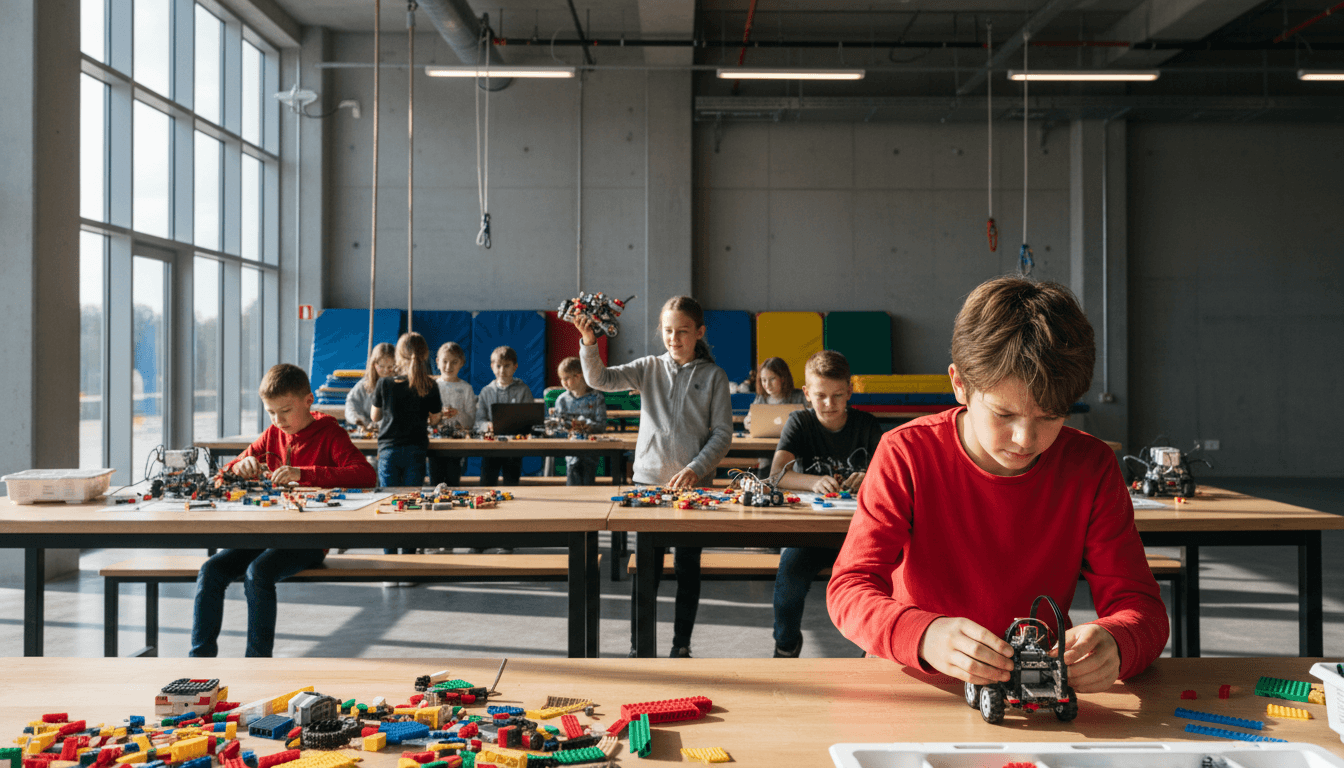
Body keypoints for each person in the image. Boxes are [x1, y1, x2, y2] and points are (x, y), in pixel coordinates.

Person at [827, 276, 1168, 694]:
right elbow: (849, 588)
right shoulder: (906, 454)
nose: (1026, 439)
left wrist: (1119, 641)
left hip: (1032, 692)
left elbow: (1142, 608)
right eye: (1004, 414)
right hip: (916, 687)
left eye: (1050, 416)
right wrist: (922, 634)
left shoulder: (1090, 466)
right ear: (960, 384)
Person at [573, 295, 733, 658]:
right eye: (667, 331)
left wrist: (695, 469)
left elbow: (723, 434)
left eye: (683, 332)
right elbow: (600, 379)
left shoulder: (713, 376)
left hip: (694, 493)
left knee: (688, 570)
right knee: (646, 571)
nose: (674, 339)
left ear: (700, 332)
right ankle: (638, 648)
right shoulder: (648, 367)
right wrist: (589, 342)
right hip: (648, 488)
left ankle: (682, 646)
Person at [190, 363, 377, 657]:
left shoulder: (331, 433)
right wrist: (237, 468)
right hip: (268, 534)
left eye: (286, 410)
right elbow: (220, 475)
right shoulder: (271, 435)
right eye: (271, 412)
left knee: (258, 572)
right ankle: (199, 662)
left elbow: (366, 475)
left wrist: (303, 474)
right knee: (210, 569)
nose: (278, 420)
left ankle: (258, 661)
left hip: (310, 539)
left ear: (308, 400)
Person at [768, 350, 883, 658]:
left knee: (885, 585)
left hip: (860, 533)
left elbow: (890, 476)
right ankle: (786, 644)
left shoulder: (868, 425)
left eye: (837, 396)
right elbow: (777, 474)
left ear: (850, 392)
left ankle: (873, 652)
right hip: (812, 531)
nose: (829, 405)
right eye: (820, 396)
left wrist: (869, 477)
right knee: (789, 579)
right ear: (806, 393)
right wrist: (812, 482)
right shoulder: (799, 422)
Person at [372, 332, 442, 559]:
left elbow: (375, 417)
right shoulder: (429, 385)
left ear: (398, 356)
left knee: (389, 505)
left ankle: (390, 562)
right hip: (416, 450)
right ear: (425, 355)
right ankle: (409, 561)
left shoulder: (384, 383)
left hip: (389, 450)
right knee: (411, 506)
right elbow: (435, 419)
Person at [474, 345, 533, 486]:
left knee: (512, 483)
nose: (502, 370)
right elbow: (478, 421)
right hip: (491, 447)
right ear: (492, 366)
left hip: (514, 447)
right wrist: (486, 426)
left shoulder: (523, 390)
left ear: (515, 366)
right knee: (487, 482)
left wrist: (519, 425)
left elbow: (530, 419)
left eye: (507, 366)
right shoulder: (486, 391)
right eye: (498, 366)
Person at [744, 356, 807, 469]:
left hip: (795, 451)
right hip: (766, 453)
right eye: (764, 380)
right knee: (765, 468)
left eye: (772, 379)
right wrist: (748, 422)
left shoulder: (800, 397)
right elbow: (748, 419)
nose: (767, 385)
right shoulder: (761, 399)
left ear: (783, 378)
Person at [428, 341, 476, 487]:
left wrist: (458, 413)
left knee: (453, 482)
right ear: (437, 362)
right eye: (445, 362)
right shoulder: (431, 386)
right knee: (435, 484)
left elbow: (471, 421)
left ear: (461, 363)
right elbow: (424, 417)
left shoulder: (466, 389)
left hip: (457, 444)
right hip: (435, 444)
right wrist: (438, 415)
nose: (448, 367)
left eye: (454, 362)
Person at [554, 356, 607, 485]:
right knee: (572, 477)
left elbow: (602, 425)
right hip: (571, 448)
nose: (563, 382)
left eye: (566, 378)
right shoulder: (561, 400)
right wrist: (564, 425)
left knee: (588, 479)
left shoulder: (596, 397)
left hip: (591, 448)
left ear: (578, 376)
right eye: (562, 379)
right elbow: (558, 426)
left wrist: (586, 426)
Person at [344, 343, 395, 432]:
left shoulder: (400, 384)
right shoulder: (364, 385)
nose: (386, 371)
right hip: (366, 431)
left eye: (390, 367)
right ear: (374, 364)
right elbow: (350, 406)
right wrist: (359, 421)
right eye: (381, 366)